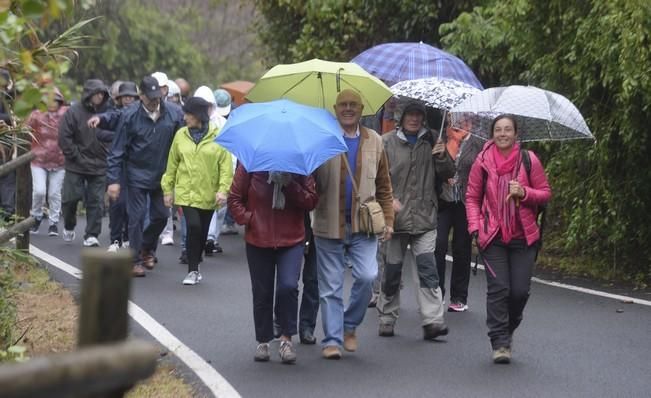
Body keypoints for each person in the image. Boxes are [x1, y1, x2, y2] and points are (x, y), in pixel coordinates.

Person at [312, 89, 394, 359]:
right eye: (343, 105)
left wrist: (389, 220)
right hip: (328, 222)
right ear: (335, 109)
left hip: (364, 226)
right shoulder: (322, 140)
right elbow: (308, 183)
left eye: (353, 105)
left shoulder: (376, 141)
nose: (348, 109)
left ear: (361, 109)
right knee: (331, 286)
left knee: (368, 276)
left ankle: (349, 325)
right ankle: (332, 340)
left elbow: (384, 186)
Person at [465, 114, 551, 364]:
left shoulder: (528, 160)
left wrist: (524, 192)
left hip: (523, 236)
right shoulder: (482, 162)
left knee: (520, 292)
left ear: (515, 134)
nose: (502, 134)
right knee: (499, 288)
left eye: (507, 130)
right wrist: (476, 228)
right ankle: (500, 341)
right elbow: (472, 198)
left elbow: (545, 194)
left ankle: (509, 326)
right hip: (492, 236)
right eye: (498, 130)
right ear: (492, 134)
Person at [376, 102, 455, 340]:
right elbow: (375, 178)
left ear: (423, 117)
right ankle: (387, 316)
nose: (414, 118)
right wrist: (389, 202)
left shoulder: (432, 139)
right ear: (401, 117)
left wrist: (442, 156)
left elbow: (449, 174)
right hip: (394, 219)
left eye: (418, 114)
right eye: (409, 114)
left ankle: (433, 320)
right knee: (392, 271)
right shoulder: (386, 142)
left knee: (428, 270)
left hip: (425, 217)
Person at [228, 163, 317, 363]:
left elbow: (311, 200)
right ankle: (263, 340)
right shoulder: (250, 164)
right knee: (262, 291)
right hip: (258, 238)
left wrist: (290, 185)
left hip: (292, 238)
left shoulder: (299, 165)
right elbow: (234, 198)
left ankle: (286, 340)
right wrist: (249, 218)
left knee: (288, 286)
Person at [105, 76, 184, 277]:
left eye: (157, 97)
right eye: (150, 98)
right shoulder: (129, 115)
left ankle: (146, 247)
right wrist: (113, 181)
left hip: (162, 175)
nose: (154, 101)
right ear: (141, 96)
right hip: (136, 174)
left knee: (161, 216)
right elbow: (117, 150)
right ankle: (134, 260)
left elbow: (181, 145)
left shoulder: (174, 114)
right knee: (137, 217)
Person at [161, 97, 232, 285]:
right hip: (186, 193)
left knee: (201, 234)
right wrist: (167, 190)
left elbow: (226, 168)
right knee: (193, 226)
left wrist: (223, 190)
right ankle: (192, 270)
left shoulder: (218, 137)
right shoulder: (180, 135)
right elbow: (172, 164)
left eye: (188, 114)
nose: (185, 118)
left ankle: (196, 260)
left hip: (208, 194)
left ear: (199, 115)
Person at [435, 116, 483, 312]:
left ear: (470, 120)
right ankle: (436, 294)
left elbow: (483, 171)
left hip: (466, 202)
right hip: (443, 201)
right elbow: (433, 169)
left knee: (462, 248)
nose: (459, 122)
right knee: (437, 246)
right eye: (454, 117)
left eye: (463, 118)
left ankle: (459, 297)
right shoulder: (440, 139)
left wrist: (464, 181)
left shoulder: (479, 142)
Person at [58, 79, 111, 246]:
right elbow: (64, 137)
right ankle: (69, 224)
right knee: (70, 199)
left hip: (99, 164)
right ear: (89, 94)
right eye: (97, 93)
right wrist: (76, 156)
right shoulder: (73, 112)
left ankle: (91, 235)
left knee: (96, 201)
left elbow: (115, 132)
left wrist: (108, 154)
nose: (100, 96)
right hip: (76, 163)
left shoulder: (108, 113)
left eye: (103, 93)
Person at [26, 88, 68, 236]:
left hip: (59, 160)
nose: (51, 103)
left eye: (55, 100)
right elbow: (24, 130)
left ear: (59, 102)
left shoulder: (66, 114)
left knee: (54, 194)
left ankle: (53, 223)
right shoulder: (36, 115)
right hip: (38, 160)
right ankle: (35, 217)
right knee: (39, 191)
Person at [103, 81, 139, 252]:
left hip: (136, 164)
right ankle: (115, 239)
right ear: (119, 98)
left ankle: (128, 237)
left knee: (131, 206)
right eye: (125, 97)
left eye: (131, 96)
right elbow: (102, 127)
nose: (128, 100)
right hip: (117, 163)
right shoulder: (115, 113)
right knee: (116, 203)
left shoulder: (141, 114)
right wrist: (117, 136)